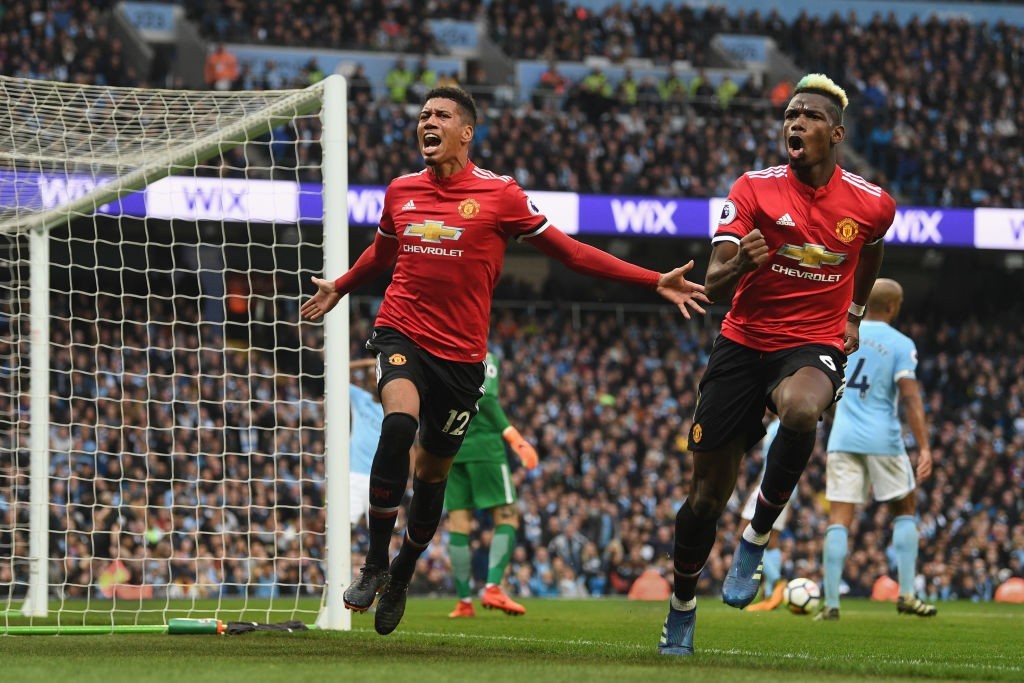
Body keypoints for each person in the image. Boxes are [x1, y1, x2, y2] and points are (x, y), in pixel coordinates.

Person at [300, 86, 708, 636]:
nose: (428, 120)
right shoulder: (401, 191)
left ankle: (402, 572)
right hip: (403, 331)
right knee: (397, 426)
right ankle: (374, 563)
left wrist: (652, 278)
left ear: (466, 132)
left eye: (441, 115)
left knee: (433, 474)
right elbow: (384, 252)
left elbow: (571, 251)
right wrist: (342, 287)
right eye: (423, 114)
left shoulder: (501, 195)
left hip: (463, 359)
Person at [658, 73, 894, 657]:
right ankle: (681, 608)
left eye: (809, 116)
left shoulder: (870, 203)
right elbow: (711, 282)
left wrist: (856, 313)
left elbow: (872, 246)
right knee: (705, 499)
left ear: (835, 134)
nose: (795, 123)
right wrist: (741, 264)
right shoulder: (752, 189)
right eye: (790, 115)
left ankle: (757, 534)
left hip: (811, 344)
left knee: (802, 409)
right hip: (742, 344)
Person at [817, 278, 937, 620]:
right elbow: (911, 397)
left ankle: (831, 604)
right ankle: (908, 594)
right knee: (905, 508)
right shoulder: (900, 343)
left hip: (843, 437)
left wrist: (834, 419)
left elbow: (826, 386)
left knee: (839, 517)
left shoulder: (839, 333)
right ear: (894, 307)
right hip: (883, 437)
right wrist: (924, 446)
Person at [446, 351, 538, 618]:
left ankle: (464, 602)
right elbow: (485, 398)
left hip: (452, 446)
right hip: (485, 448)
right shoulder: (483, 354)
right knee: (508, 517)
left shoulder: (443, 349)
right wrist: (515, 438)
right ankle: (493, 587)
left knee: (459, 524)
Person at [738, 416, 793, 612]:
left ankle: (777, 582)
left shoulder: (782, 425)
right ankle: (771, 593)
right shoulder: (776, 425)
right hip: (779, 482)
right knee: (773, 539)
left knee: (744, 532)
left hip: (772, 483)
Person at [349, 358, 383, 527]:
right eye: (371, 377)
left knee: (384, 531)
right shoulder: (359, 397)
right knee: (345, 525)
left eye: (377, 376)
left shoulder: (391, 407)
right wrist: (369, 361)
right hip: (354, 474)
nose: (374, 381)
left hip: (380, 476)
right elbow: (336, 372)